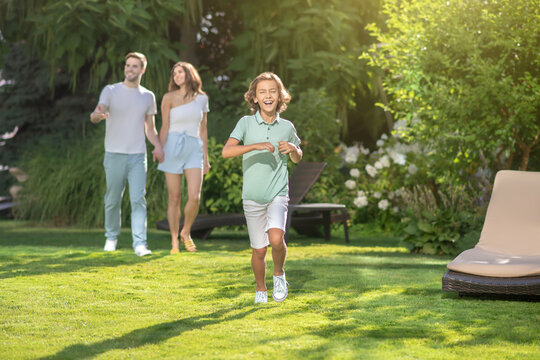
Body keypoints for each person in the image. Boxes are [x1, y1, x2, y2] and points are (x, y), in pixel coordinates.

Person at [222, 72, 302, 304]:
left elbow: (297, 156)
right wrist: (255, 146)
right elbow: (227, 152)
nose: (268, 95)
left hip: (277, 193)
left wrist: (293, 150)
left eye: (273, 91)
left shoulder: (287, 127)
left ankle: (278, 274)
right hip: (252, 197)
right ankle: (260, 288)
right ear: (254, 97)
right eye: (262, 92)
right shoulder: (245, 123)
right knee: (259, 250)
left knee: (276, 239)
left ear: (280, 96)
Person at [90, 52, 164, 257]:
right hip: (114, 154)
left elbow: (150, 128)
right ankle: (111, 238)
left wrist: (157, 146)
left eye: (134, 66)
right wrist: (97, 115)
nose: (129, 69)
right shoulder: (111, 91)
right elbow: (97, 112)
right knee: (112, 199)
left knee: (138, 199)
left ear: (142, 70)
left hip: (138, 156)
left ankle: (140, 244)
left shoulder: (148, 96)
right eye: (127, 65)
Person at [158, 61, 210, 254]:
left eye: (180, 72)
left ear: (190, 74)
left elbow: (203, 128)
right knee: (174, 197)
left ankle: (186, 231)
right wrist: (159, 149)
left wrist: (206, 157)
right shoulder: (168, 98)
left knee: (195, 197)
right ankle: (174, 241)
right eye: (175, 74)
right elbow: (164, 127)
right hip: (172, 146)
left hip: (194, 148)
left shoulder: (202, 99)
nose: (177, 76)